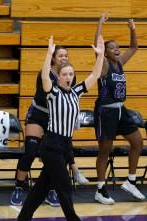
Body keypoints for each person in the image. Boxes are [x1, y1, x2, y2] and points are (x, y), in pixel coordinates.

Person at [17, 35, 105, 221]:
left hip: (65, 146)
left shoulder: (76, 92)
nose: (68, 77)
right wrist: (49, 54)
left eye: (71, 74)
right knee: (64, 186)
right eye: (64, 74)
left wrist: (100, 55)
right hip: (51, 145)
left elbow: (95, 75)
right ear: (58, 77)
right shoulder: (53, 93)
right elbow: (44, 77)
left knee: (41, 187)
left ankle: (22, 220)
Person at [10, 45, 89, 207]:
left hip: (56, 118)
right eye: (60, 55)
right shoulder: (45, 73)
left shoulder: (69, 74)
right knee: (31, 151)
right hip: (39, 114)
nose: (64, 58)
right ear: (53, 58)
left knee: (58, 154)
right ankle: (18, 187)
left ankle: (52, 189)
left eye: (66, 55)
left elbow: (71, 96)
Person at [93, 12, 144, 204]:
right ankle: (100, 189)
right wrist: (99, 23)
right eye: (112, 48)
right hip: (106, 111)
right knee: (105, 149)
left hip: (121, 110)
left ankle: (131, 181)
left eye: (117, 47)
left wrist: (133, 29)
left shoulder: (120, 63)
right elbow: (97, 45)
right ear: (105, 52)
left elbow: (134, 47)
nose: (116, 49)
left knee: (137, 142)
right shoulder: (104, 64)